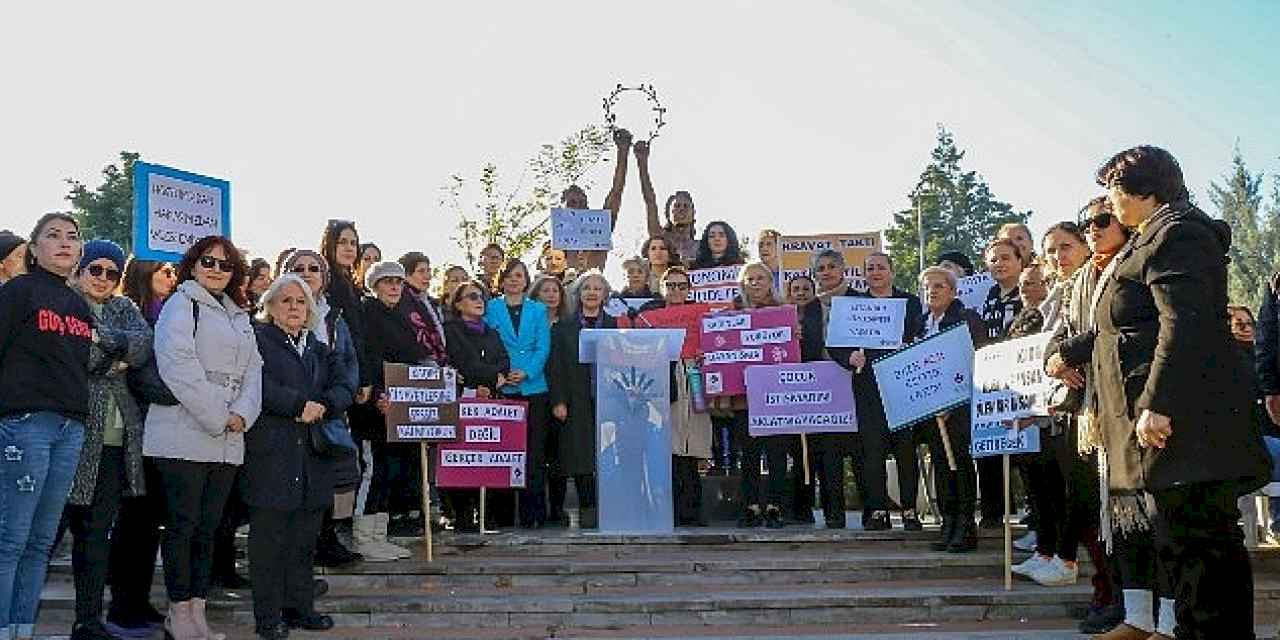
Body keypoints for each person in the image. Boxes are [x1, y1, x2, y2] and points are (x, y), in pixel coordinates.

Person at [1086, 145, 1268, 639]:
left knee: (1203, 549)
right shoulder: (1157, 234)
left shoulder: (1178, 234)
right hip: (1179, 431)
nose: (1109, 204)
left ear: (1140, 190)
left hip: (1190, 427)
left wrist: (1157, 403)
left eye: (1113, 192)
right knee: (1186, 545)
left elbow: (1183, 325)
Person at [143, 235, 263, 640]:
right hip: (181, 434)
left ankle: (197, 611)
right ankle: (178, 613)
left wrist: (242, 414)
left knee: (209, 528)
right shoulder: (181, 304)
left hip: (228, 439)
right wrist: (219, 414)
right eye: (208, 262)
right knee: (183, 525)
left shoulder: (240, 315)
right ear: (193, 264)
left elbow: (254, 373)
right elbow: (178, 366)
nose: (216, 269)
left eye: (225, 265)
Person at [0, 214, 92, 640]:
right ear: (34, 249)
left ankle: (21, 629)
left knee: (41, 542)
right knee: (10, 539)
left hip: (70, 429)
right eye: (53, 236)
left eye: (73, 237)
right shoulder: (18, 292)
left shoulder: (78, 305)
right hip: (25, 425)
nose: (65, 243)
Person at [245, 275, 350, 639]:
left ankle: (300, 609)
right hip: (271, 454)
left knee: (304, 540)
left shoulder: (319, 348)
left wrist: (325, 405)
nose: (293, 307)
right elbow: (254, 384)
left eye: (300, 302)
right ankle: (268, 618)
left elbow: (344, 385)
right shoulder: (256, 340)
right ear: (270, 306)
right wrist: (295, 405)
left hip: (313, 456)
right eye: (285, 300)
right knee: (268, 541)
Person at [64, 241, 152, 640]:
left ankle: (87, 619)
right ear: (80, 270)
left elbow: (143, 345)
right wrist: (111, 356)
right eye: (94, 269)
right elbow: (73, 357)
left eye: (111, 273)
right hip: (71, 435)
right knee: (47, 532)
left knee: (97, 534)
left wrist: (105, 342)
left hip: (117, 441)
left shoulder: (124, 308)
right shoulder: (63, 303)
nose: (102, 278)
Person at [104, 256, 176, 636]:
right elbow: (143, 378)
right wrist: (190, 397)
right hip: (137, 431)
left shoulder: (175, 316)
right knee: (133, 521)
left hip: (168, 434)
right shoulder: (129, 315)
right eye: (164, 270)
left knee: (150, 524)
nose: (171, 276)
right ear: (144, 274)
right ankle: (121, 604)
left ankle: (140, 598)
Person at [829, 253, 924, 531]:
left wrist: (912, 346)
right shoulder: (852, 305)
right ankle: (878, 510)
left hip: (904, 387)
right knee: (872, 451)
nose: (876, 272)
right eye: (870, 269)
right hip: (868, 388)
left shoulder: (910, 302)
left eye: (881, 267)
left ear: (892, 272)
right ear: (863, 274)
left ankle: (909, 510)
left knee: (906, 450)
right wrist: (849, 359)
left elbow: (922, 335)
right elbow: (835, 345)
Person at [283, 250, 366, 565]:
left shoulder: (335, 317)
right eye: (298, 268)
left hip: (329, 413)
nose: (306, 273)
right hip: (290, 413)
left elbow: (347, 364)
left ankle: (326, 537)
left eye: (313, 268)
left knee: (336, 478)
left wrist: (333, 400)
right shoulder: (270, 316)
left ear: (324, 277)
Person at [358, 261, 428, 552]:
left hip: (398, 408)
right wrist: (378, 393)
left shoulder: (401, 317)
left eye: (398, 282)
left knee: (390, 472)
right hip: (375, 406)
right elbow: (368, 357)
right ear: (374, 286)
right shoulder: (367, 313)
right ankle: (364, 538)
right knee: (373, 472)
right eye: (387, 282)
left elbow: (412, 355)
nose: (394, 287)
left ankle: (379, 536)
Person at [917, 266, 984, 553]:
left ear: (953, 291)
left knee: (960, 464)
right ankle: (948, 522)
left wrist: (954, 399)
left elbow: (976, 360)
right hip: (931, 410)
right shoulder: (920, 323)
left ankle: (965, 525)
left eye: (939, 286)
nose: (932, 291)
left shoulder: (966, 319)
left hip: (959, 408)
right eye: (927, 287)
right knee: (941, 465)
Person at [641, 267, 713, 526]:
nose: (676, 291)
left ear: (689, 289)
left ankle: (692, 510)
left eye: (681, 286)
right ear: (662, 288)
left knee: (693, 448)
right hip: (664, 380)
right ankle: (668, 510)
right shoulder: (649, 317)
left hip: (694, 377)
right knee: (668, 447)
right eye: (670, 286)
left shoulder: (703, 315)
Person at [485, 259, 552, 527]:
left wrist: (527, 372)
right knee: (504, 453)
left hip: (533, 388)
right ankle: (501, 516)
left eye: (519, 276)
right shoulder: (491, 308)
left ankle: (533, 514)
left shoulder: (537, 310)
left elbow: (543, 346)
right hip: (503, 388)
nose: (514, 280)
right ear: (502, 280)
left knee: (533, 454)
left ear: (526, 280)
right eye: (509, 276)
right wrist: (500, 372)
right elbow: (486, 343)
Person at [547, 271, 616, 528]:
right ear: (578, 293)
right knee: (579, 455)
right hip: (574, 400)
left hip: (609, 400)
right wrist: (558, 401)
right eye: (586, 287)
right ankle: (587, 510)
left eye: (597, 288)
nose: (591, 292)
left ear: (605, 295)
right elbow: (556, 367)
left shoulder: (614, 325)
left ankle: (608, 510)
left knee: (607, 453)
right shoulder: (563, 328)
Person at [443, 280, 511, 531]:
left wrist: (492, 380)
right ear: (458, 304)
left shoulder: (491, 332)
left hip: (488, 401)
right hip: (462, 399)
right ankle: (461, 513)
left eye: (481, 296)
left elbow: (504, 361)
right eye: (472, 296)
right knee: (462, 458)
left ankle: (485, 514)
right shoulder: (450, 329)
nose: (479, 300)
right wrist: (491, 377)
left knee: (486, 456)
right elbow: (464, 363)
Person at [732, 262, 795, 528]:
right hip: (743, 396)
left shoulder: (785, 312)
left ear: (771, 282)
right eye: (750, 279)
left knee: (777, 454)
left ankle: (774, 506)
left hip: (777, 396)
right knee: (748, 454)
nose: (755, 283)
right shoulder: (731, 314)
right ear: (742, 284)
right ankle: (750, 506)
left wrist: (796, 336)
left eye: (760, 278)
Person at [976, 238, 1025, 529]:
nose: (1000, 264)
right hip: (990, 383)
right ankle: (993, 511)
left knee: (1024, 450)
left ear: (1021, 261)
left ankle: (1032, 513)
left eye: (1006, 258)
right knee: (990, 447)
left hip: (1023, 382)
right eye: (993, 260)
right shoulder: (986, 297)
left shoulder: (1030, 291)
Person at [529, 274, 570, 522]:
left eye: (555, 290)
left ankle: (557, 507)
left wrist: (560, 400)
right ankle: (534, 510)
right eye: (545, 290)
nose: (551, 294)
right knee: (534, 455)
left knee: (557, 457)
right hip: (531, 394)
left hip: (558, 399)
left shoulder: (566, 326)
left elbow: (564, 368)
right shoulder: (528, 324)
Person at [638, 140, 698, 266]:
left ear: (693, 213)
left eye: (686, 206)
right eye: (676, 206)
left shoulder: (702, 247)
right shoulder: (660, 239)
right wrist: (642, 162)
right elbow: (650, 202)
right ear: (668, 213)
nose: (681, 209)